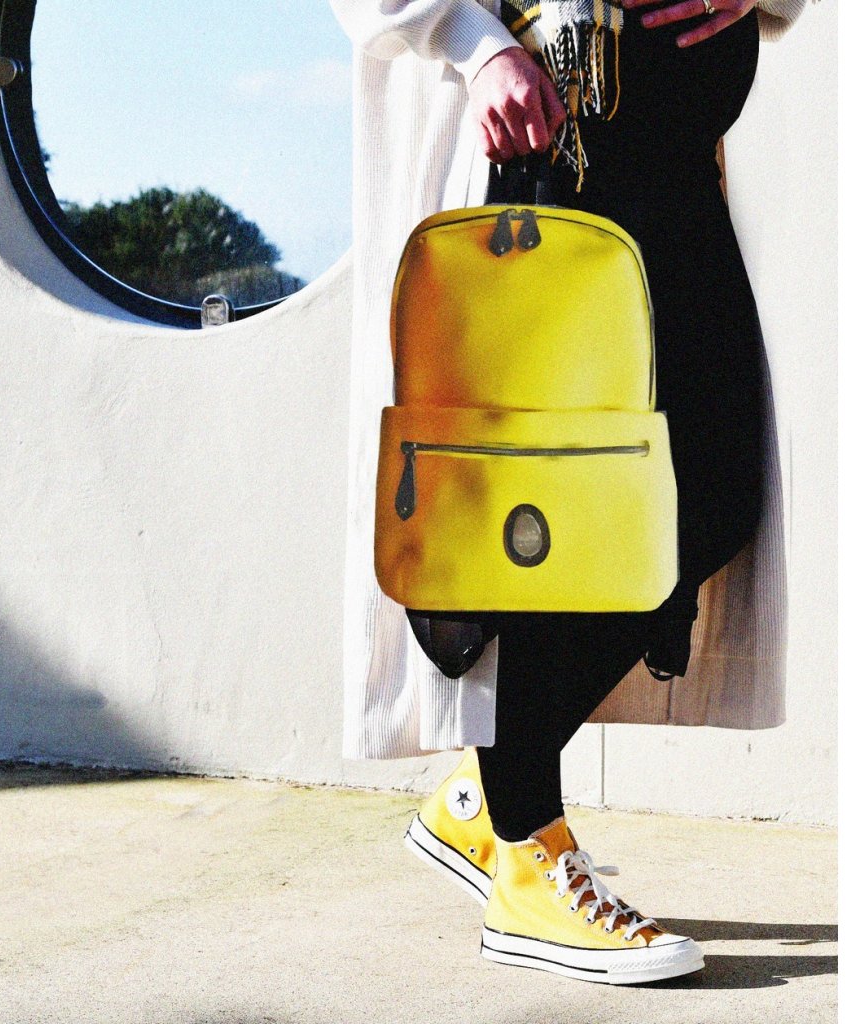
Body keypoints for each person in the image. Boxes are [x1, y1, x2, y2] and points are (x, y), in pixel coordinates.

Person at [330, 0, 811, 985]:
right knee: (538, 510)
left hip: (673, 161)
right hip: (536, 151)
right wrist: (475, 49)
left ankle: (484, 800)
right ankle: (525, 851)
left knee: (713, 489)